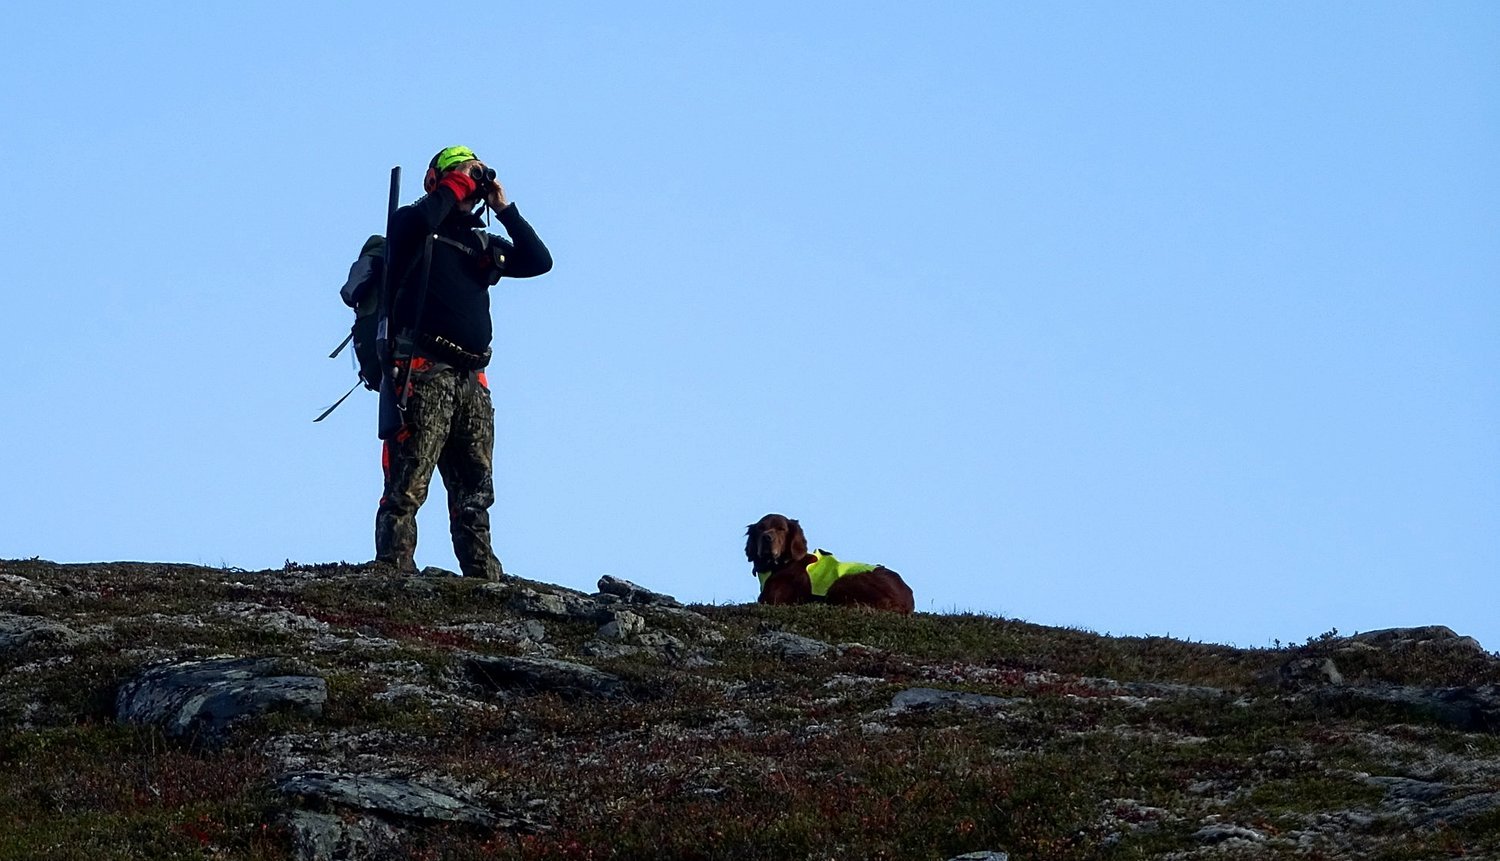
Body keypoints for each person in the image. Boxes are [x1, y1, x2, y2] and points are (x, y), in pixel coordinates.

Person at [374, 145, 553, 578]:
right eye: (463, 175)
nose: (472, 183)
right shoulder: (411, 226)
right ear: (441, 181)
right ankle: (393, 571)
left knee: (475, 488)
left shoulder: (478, 242)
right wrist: (456, 183)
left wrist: (503, 207)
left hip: (472, 378)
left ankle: (482, 575)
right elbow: (416, 222)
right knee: (408, 481)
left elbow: (539, 261)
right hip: (424, 369)